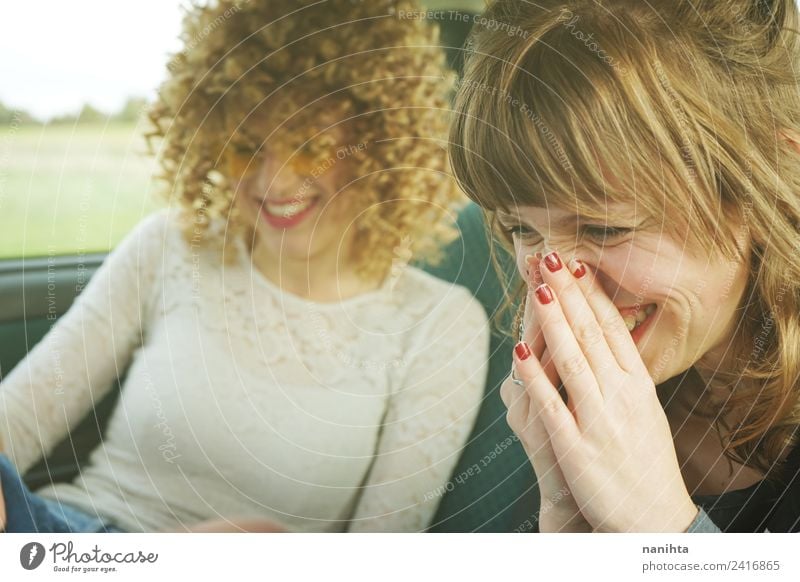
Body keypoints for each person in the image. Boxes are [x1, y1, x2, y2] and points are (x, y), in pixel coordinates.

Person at [0, 0, 489, 533]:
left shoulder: (439, 324)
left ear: (382, 148)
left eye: (310, 148)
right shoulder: (171, 244)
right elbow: (16, 421)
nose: (274, 182)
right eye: (249, 147)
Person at [448, 0, 800, 532]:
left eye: (606, 228)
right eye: (523, 229)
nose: (554, 275)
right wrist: (568, 515)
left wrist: (657, 525)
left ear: (765, 188)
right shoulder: (530, 384)